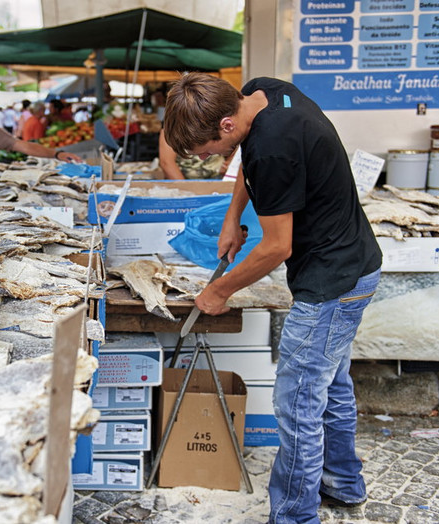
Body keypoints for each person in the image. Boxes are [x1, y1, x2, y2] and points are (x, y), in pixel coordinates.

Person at [163, 73, 382, 524]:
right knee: (330, 386)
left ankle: (294, 516)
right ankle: (343, 483)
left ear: (225, 125)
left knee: (298, 401)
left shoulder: (273, 147)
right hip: (356, 266)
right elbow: (250, 156)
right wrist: (232, 215)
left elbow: (276, 247)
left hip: (331, 283)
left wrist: (217, 290)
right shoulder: (262, 93)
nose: (207, 158)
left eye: (206, 151)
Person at [158, 130, 232, 180]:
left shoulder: (218, 126)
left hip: (218, 179)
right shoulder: (171, 131)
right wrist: (186, 190)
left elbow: (235, 145)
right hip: (182, 181)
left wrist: (229, 165)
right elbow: (166, 163)